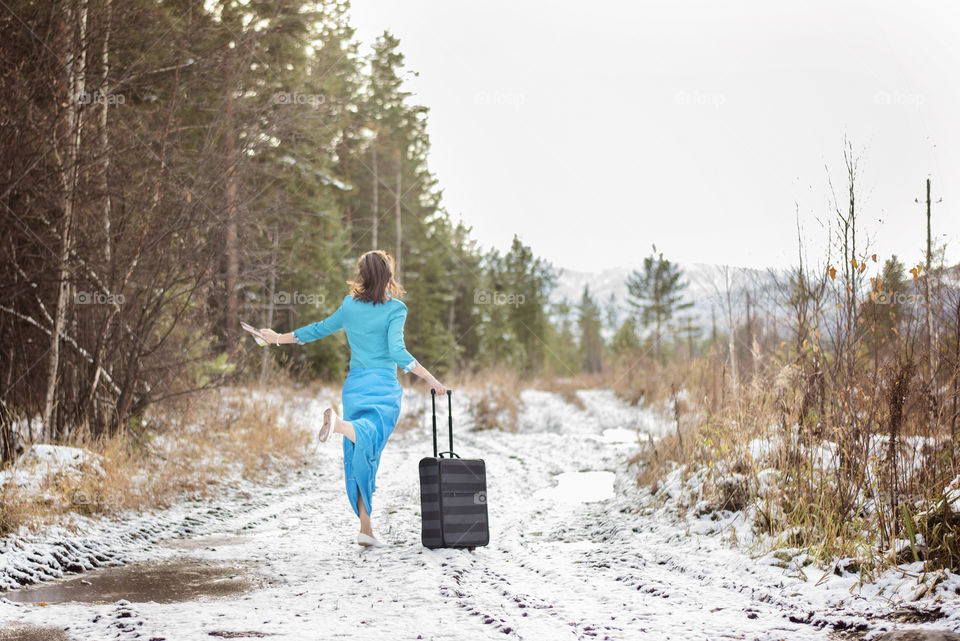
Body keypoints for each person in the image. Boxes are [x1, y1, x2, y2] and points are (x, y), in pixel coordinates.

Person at [259, 250, 447, 547]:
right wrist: (432, 380)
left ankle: (366, 528)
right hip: (383, 387)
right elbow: (397, 352)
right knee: (369, 441)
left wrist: (278, 337)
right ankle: (340, 425)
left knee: (358, 454)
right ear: (387, 276)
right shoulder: (396, 309)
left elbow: (318, 329)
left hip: (355, 386)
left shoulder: (349, 306)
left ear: (363, 275)